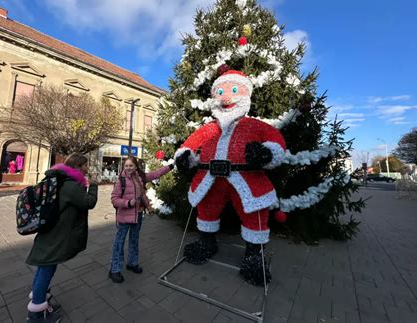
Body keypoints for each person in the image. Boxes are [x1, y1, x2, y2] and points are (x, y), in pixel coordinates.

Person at [174, 68, 286, 286]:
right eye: (220, 92)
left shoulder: (253, 125)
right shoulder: (209, 128)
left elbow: (275, 140)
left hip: (246, 179)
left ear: (246, 94)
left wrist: (266, 153)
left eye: (234, 90)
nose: (226, 97)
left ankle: (254, 256)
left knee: (254, 214)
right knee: (206, 210)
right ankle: (207, 243)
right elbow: (188, 144)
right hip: (210, 179)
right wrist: (184, 156)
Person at [25, 153, 98, 323]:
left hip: (50, 231)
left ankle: (40, 300)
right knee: (47, 268)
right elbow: (89, 202)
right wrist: (93, 186)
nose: (87, 168)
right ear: (78, 166)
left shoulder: (58, 179)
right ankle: (36, 313)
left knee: (44, 267)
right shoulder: (70, 184)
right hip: (56, 234)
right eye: (85, 165)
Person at [109, 156, 173, 283]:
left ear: (136, 166)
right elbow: (114, 198)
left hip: (137, 215)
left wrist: (170, 166)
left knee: (134, 240)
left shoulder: (140, 177)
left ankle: (132, 263)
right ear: (123, 167)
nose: (128, 168)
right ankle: (114, 270)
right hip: (124, 217)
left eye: (131, 165)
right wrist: (128, 203)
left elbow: (156, 174)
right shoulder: (120, 180)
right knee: (119, 243)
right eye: (126, 166)